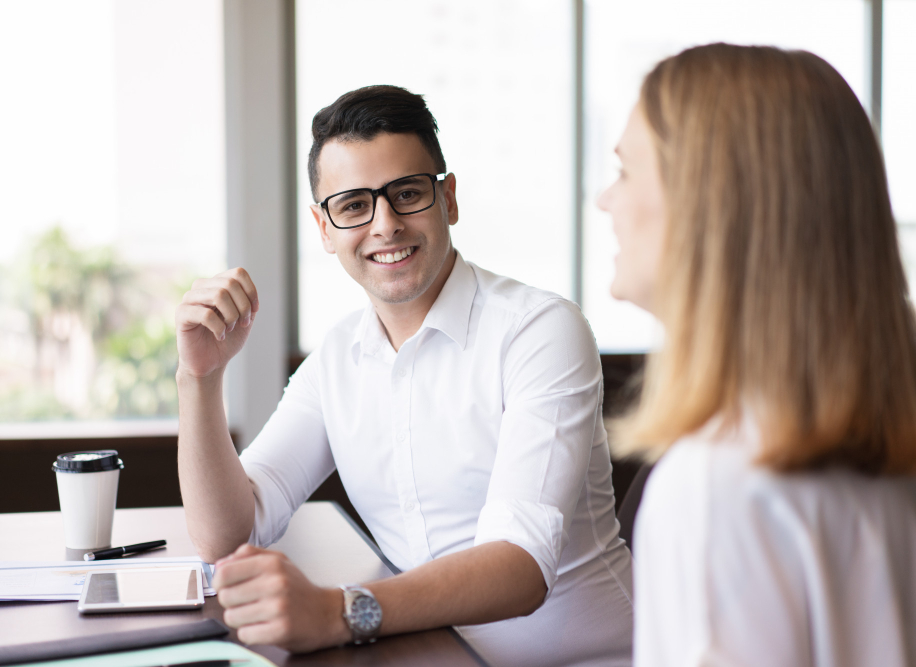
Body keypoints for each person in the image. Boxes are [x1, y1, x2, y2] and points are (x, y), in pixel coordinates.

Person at [175, 85, 634, 665]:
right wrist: (200, 378)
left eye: (408, 193)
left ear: (449, 200)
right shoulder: (336, 362)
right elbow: (227, 535)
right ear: (324, 228)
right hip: (427, 654)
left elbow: (520, 565)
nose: (385, 225)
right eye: (353, 206)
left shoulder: (540, 331)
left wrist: (339, 612)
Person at [598, 42, 916, 666]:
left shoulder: (715, 485)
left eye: (627, 171)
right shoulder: (895, 456)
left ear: (710, 204)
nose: (607, 200)